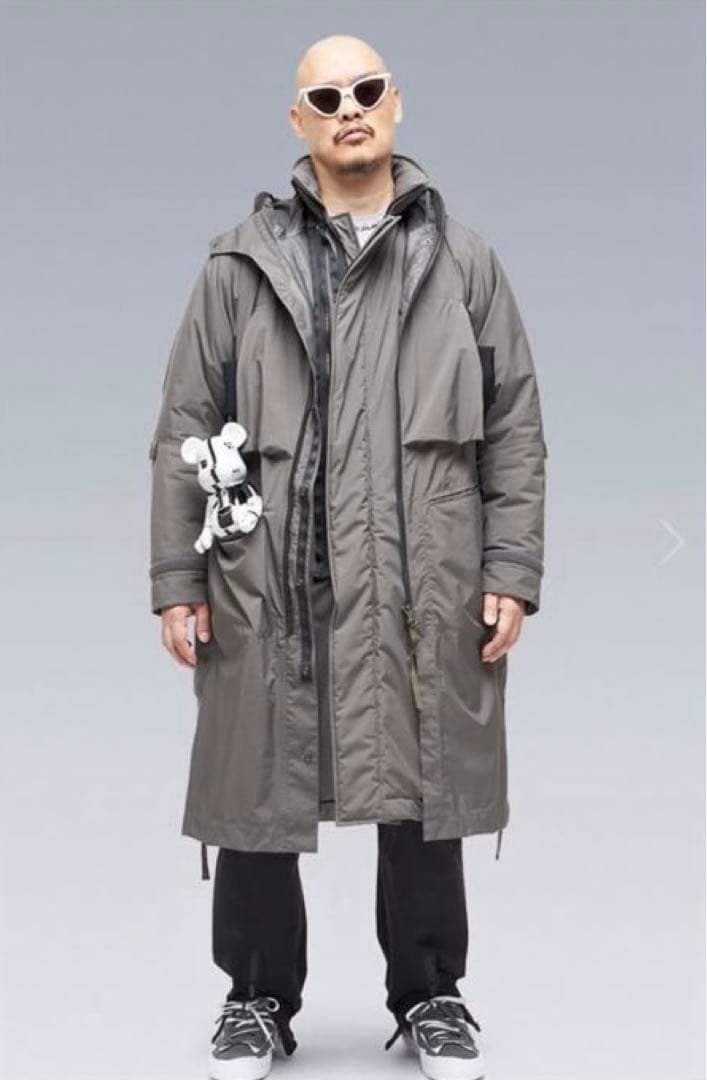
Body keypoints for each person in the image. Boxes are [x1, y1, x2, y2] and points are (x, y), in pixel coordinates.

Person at [148, 32, 547, 1080]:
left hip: (422, 572)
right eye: (325, 98)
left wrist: (509, 569)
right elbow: (184, 423)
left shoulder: (463, 263)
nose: (349, 110)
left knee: (422, 780)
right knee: (256, 780)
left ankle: (431, 993)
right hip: (267, 576)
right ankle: (254, 998)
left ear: (395, 103)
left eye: (365, 90)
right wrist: (178, 580)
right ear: (299, 122)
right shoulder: (239, 265)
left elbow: (512, 426)